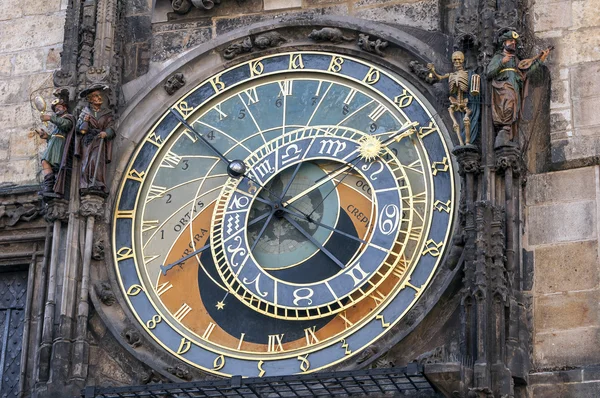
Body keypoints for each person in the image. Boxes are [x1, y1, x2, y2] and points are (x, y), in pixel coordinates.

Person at [488, 30, 551, 142]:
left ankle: (508, 129)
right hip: (503, 87)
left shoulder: (516, 60)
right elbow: (489, 73)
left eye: (515, 42)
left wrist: (540, 60)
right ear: (504, 43)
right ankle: (504, 127)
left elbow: (526, 72)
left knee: (513, 107)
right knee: (507, 104)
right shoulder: (498, 57)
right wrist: (502, 62)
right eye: (510, 41)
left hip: (515, 87)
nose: (513, 43)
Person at [428, 51, 481, 145]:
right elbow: (439, 77)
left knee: (466, 120)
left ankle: (467, 142)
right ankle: (461, 142)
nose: (457, 62)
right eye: (455, 60)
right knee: (456, 122)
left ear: (463, 61)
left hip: (465, 101)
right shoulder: (451, 75)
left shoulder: (469, 74)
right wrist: (432, 70)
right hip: (455, 101)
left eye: (459, 59)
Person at [77, 84, 115, 195]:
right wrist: (85, 121)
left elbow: (111, 128)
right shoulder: (84, 113)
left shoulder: (107, 114)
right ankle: (86, 184)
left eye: (100, 95)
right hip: (88, 141)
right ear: (90, 99)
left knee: (96, 161)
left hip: (100, 140)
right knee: (87, 162)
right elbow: (80, 130)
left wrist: (106, 133)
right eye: (96, 96)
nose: (100, 98)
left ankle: (98, 183)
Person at [35, 97, 75, 197]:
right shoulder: (57, 124)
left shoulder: (68, 117)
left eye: (59, 107)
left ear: (65, 108)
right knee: (45, 162)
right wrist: (47, 136)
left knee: (47, 162)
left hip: (60, 147)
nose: (57, 109)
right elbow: (55, 136)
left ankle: (50, 187)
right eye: (55, 108)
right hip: (55, 145)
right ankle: (49, 187)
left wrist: (50, 118)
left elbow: (66, 125)